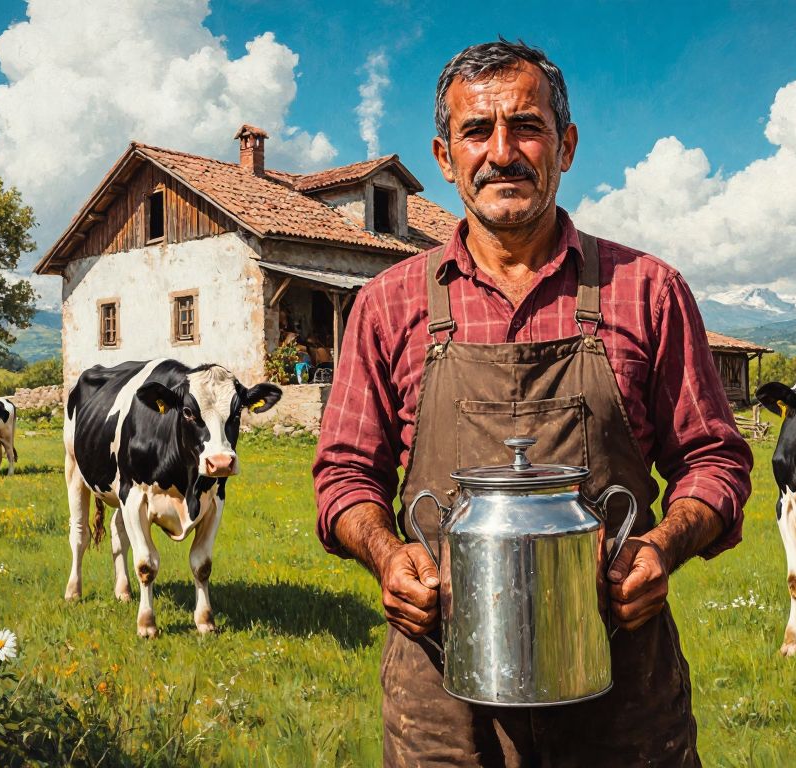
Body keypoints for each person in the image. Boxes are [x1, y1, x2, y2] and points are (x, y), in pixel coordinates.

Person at [312, 39, 753, 767]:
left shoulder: (647, 291)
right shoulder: (387, 305)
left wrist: (662, 548)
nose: (503, 152)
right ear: (445, 157)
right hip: (443, 698)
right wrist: (388, 556)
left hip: (618, 692)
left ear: (567, 144)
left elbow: (715, 460)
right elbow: (344, 476)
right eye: (476, 132)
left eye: (527, 126)